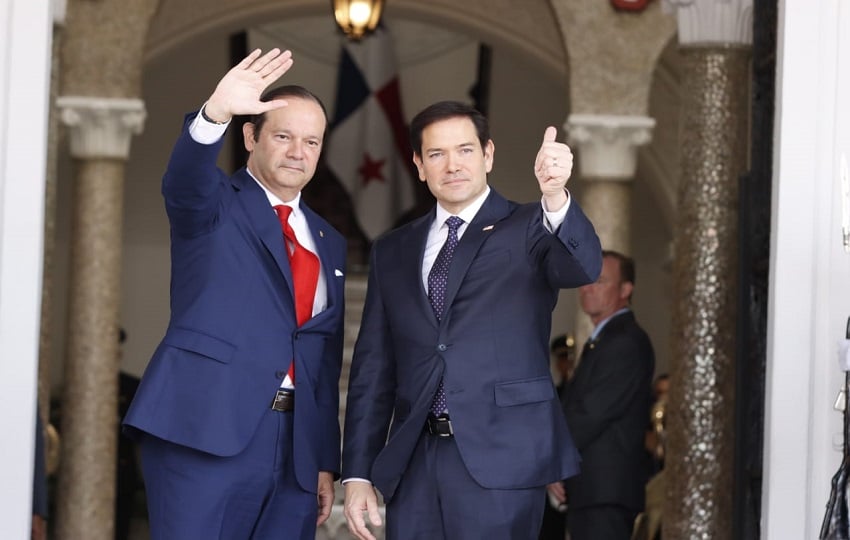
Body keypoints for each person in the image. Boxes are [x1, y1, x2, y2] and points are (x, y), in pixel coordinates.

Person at [341, 100, 602, 540]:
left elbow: (583, 268)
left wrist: (555, 197)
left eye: (464, 150)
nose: (452, 165)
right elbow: (373, 369)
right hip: (415, 461)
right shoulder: (393, 250)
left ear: (489, 155)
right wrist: (358, 474)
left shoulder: (530, 226)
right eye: (437, 154)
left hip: (503, 457)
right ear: (419, 166)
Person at [123, 48, 347, 540]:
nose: (298, 152)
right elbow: (184, 180)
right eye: (283, 136)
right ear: (250, 136)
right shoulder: (213, 203)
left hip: (294, 452)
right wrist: (215, 113)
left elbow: (322, 358)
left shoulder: (330, 240)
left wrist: (323, 458)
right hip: (204, 429)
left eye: (311, 141)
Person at [552, 250, 655, 540]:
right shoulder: (605, 339)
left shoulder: (625, 341)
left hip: (605, 492)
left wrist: (552, 458)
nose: (586, 288)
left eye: (599, 281)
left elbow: (591, 413)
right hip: (594, 491)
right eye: (585, 280)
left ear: (625, 290)